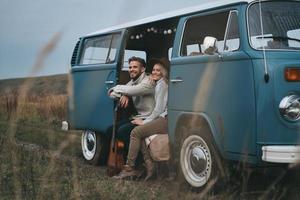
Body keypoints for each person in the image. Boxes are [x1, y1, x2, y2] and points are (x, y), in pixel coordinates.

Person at [114, 58, 169, 180]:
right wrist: (125, 94)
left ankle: (131, 168)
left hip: (164, 118)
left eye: (158, 70)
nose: (154, 72)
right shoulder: (157, 82)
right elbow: (126, 89)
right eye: (153, 70)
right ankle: (148, 166)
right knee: (137, 131)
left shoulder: (161, 84)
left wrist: (144, 122)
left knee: (136, 132)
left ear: (163, 72)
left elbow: (159, 110)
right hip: (160, 117)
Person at [107, 56, 155, 155]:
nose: (131, 70)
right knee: (110, 130)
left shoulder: (148, 82)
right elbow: (111, 94)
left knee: (122, 131)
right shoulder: (132, 82)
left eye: (135, 67)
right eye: (130, 67)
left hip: (150, 118)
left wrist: (121, 90)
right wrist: (124, 95)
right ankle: (122, 159)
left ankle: (136, 164)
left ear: (142, 69)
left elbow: (134, 90)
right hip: (138, 117)